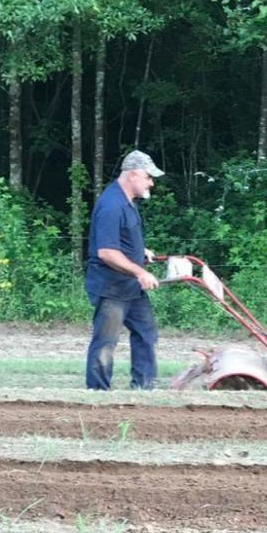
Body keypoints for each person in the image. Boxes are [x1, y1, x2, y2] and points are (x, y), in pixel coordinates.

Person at [84, 150, 164, 390]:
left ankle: (144, 386)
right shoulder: (112, 205)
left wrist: (141, 252)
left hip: (129, 286)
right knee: (106, 341)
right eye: (149, 177)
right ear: (133, 174)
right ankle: (98, 391)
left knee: (146, 333)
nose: (152, 182)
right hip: (111, 287)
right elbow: (106, 252)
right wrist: (140, 272)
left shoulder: (128, 202)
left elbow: (122, 240)